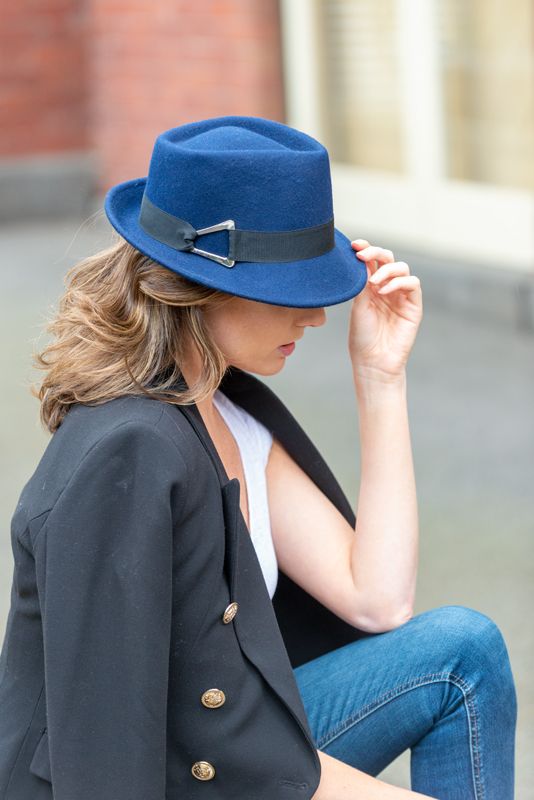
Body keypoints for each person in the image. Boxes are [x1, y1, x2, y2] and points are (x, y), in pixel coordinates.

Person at [0, 116, 516, 800]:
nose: (315, 318)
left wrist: (380, 377)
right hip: (166, 772)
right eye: (290, 292)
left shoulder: (226, 408)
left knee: (462, 650)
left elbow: (377, 599)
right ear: (196, 287)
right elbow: (113, 749)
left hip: (228, 739)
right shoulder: (130, 453)